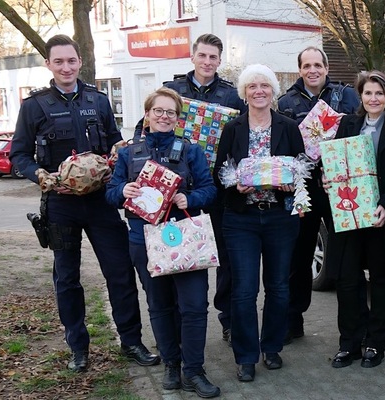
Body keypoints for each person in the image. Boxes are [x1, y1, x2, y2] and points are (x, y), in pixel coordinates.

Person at [9, 34, 159, 373]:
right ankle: (78, 347)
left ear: (80, 62)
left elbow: (114, 143)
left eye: (71, 61)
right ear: (48, 64)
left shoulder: (98, 99)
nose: (66, 67)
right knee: (67, 278)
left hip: (101, 201)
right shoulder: (34, 106)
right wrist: (40, 176)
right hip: (60, 204)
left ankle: (131, 340)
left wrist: (121, 158)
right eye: (59, 61)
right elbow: (18, 154)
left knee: (120, 272)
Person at [133, 33, 247, 347]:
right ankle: (177, 326)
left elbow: (241, 139)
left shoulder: (231, 96)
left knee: (224, 257)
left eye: (214, 57)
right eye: (203, 56)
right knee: (175, 253)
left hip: (218, 188)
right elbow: (144, 128)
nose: (208, 62)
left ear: (220, 61)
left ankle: (227, 320)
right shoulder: (172, 90)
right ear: (193, 56)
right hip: (176, 191)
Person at [106, 88, 219, 398]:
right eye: (159, 111)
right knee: (159, 305)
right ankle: (171, 363)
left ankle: (193, 370)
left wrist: (190, 197)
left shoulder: (191, 151)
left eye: (171, 112)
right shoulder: (129, 153)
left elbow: (210, 190)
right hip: (144, 239)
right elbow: (110, 193)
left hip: (184, 238)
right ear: (148, 113)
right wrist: (123, 191)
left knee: (194, 306)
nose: (164, 116)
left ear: (177, 117)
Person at [213, 64, 305, 382]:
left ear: (273, 90)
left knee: (279, 287)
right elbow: (220, 172)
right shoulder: (233, 128)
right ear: (244, 93)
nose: (259, 91)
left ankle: (272, 347)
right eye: (252, 86)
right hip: (242, 219)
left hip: (280, 217)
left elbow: (302, 166)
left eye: (264, 85)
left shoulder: (289, 127)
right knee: (244, 290)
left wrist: (293, 181)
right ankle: (246, 356)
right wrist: (234, 184)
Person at [327, 71, 385, 369]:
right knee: (347, 280)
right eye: (368, 93)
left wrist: (384, 206)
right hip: (349, 212)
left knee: (380, 281)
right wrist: (329, 180)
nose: (373, 98)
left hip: (382, 216)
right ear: (360, 96)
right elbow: (337, 164)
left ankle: (376, 344)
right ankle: (349, 343)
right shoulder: (347, 124)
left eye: (379, 93)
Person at [277, 46, 362, 343]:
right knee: (298, 255)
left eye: (318, 65)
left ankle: (352, 329)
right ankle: (292, 321)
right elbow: (282, 144)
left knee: (346, 255)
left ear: (326, 68)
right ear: (300, 69)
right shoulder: (285, 101)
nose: (312, 70)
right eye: (306, 65)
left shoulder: (346, 96)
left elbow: (359, 135)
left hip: (340, 184)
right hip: (303, 185)